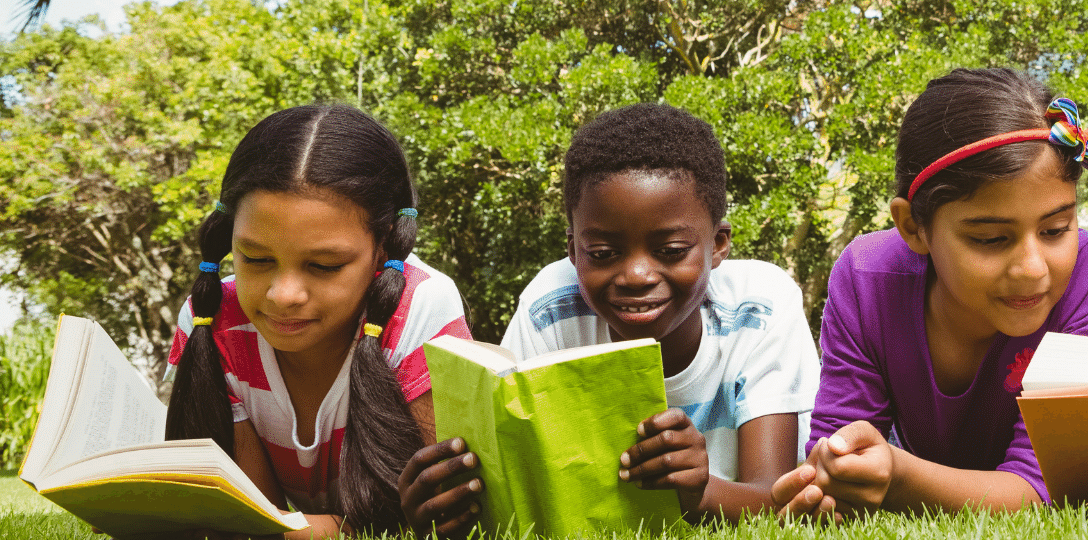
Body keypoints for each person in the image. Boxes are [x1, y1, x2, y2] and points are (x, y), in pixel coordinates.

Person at [398, 104, 820, 532]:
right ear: (573, 249)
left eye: (671, 251)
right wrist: (446, 502)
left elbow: (779, 499)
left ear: (720, 243)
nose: (636, 276)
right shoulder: (551, 310)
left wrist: (702, 492)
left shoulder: (760, 309)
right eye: (602, 254)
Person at [773, 67, 1088, 516]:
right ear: (912, 226)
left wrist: (902, 477)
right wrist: (835, 477)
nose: (1031, 268)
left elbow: (1050, 488)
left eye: (1056, 228)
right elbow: (836, 456)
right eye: (990, 239)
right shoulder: (867, 278)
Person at [164, 104, 472, 537]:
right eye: (255, 258)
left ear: (384, 248)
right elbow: (258, 515)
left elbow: (427, 514)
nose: (283, 295)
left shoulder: (421, 305)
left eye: (324, 265)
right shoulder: (212, 319)